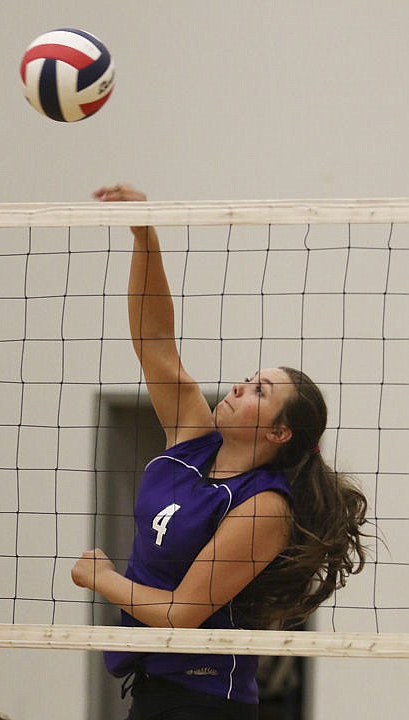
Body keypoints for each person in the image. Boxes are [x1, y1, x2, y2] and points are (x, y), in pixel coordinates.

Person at [72, 184, 368, 720]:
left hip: (207, 702)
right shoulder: (192, 439)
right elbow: (155, 342)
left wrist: (101, 577)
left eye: (259, 391)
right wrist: (145, 235)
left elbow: (183, 613)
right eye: (251, 378)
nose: (238, 386)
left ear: (280, 433)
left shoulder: (265, 506)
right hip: (152, 685)